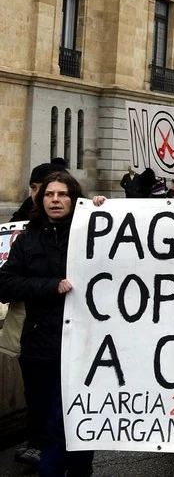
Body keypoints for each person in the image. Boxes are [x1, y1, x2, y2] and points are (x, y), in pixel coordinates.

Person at [0, 172, 94, 477]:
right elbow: (5, 284)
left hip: (84, 346)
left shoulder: (96, 232)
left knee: (68, 422)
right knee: (47, 422)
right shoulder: (27, 239)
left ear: (74, 198)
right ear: (41, 199)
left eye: (63, 194)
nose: (55, 199)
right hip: (40, 347)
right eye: (50, 194)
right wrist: (49, 286)